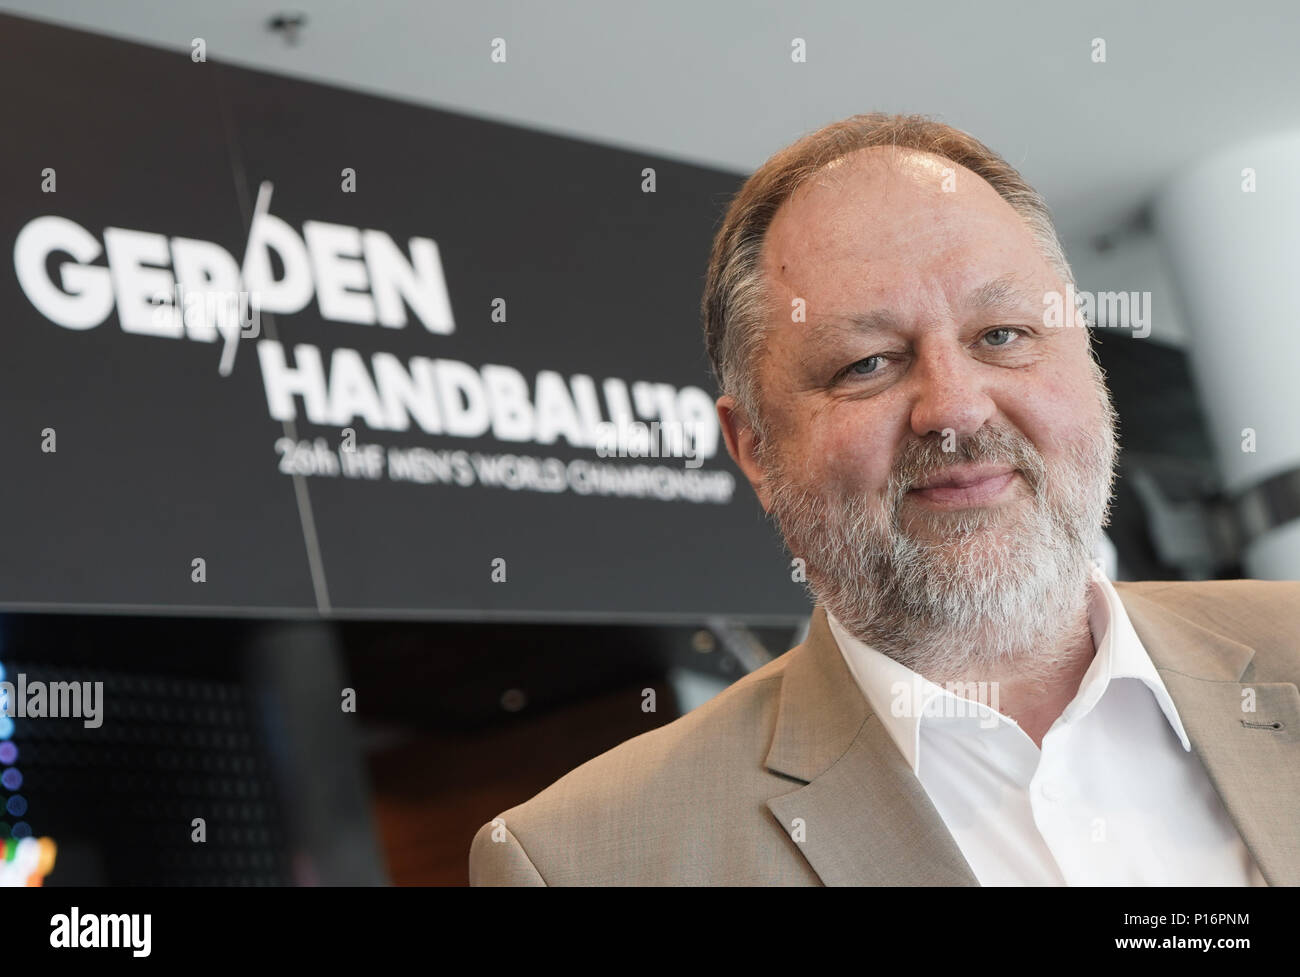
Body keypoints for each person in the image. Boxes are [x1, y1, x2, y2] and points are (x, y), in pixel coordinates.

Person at [468, 113, 1299, 886]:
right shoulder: (586, 862)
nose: (956, 407)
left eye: (1001, 335)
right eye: (866, 362)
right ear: (754, 446)